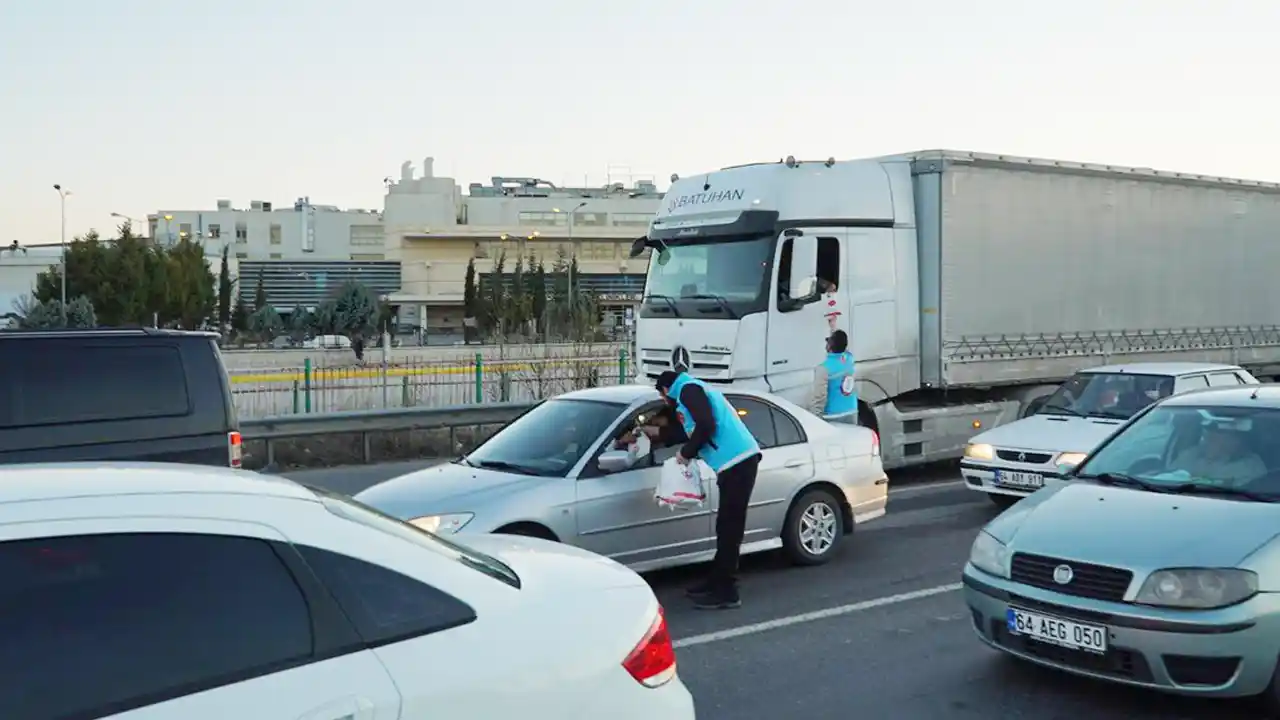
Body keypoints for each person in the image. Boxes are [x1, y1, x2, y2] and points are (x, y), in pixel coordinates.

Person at [654, 369, 762, 610]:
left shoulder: (688, 390)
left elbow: (706, 426)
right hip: (732, 463)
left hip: (738, 461)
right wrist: (656, 435)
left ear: (665, 390)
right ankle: (716, 580)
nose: (665, 403)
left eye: (663, 399)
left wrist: (686, 453)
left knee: (730, 527)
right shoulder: (689, 392)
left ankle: (727, 591)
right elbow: (690, 429)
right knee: (725, 526)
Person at [811, 330, 858, 423]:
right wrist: (833, 327)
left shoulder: (823, 369)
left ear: (829, 346)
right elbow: (841, 344)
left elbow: (819, 398)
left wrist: (815, 420)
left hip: (833, 416)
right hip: (852, 412)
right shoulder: (849, 360)